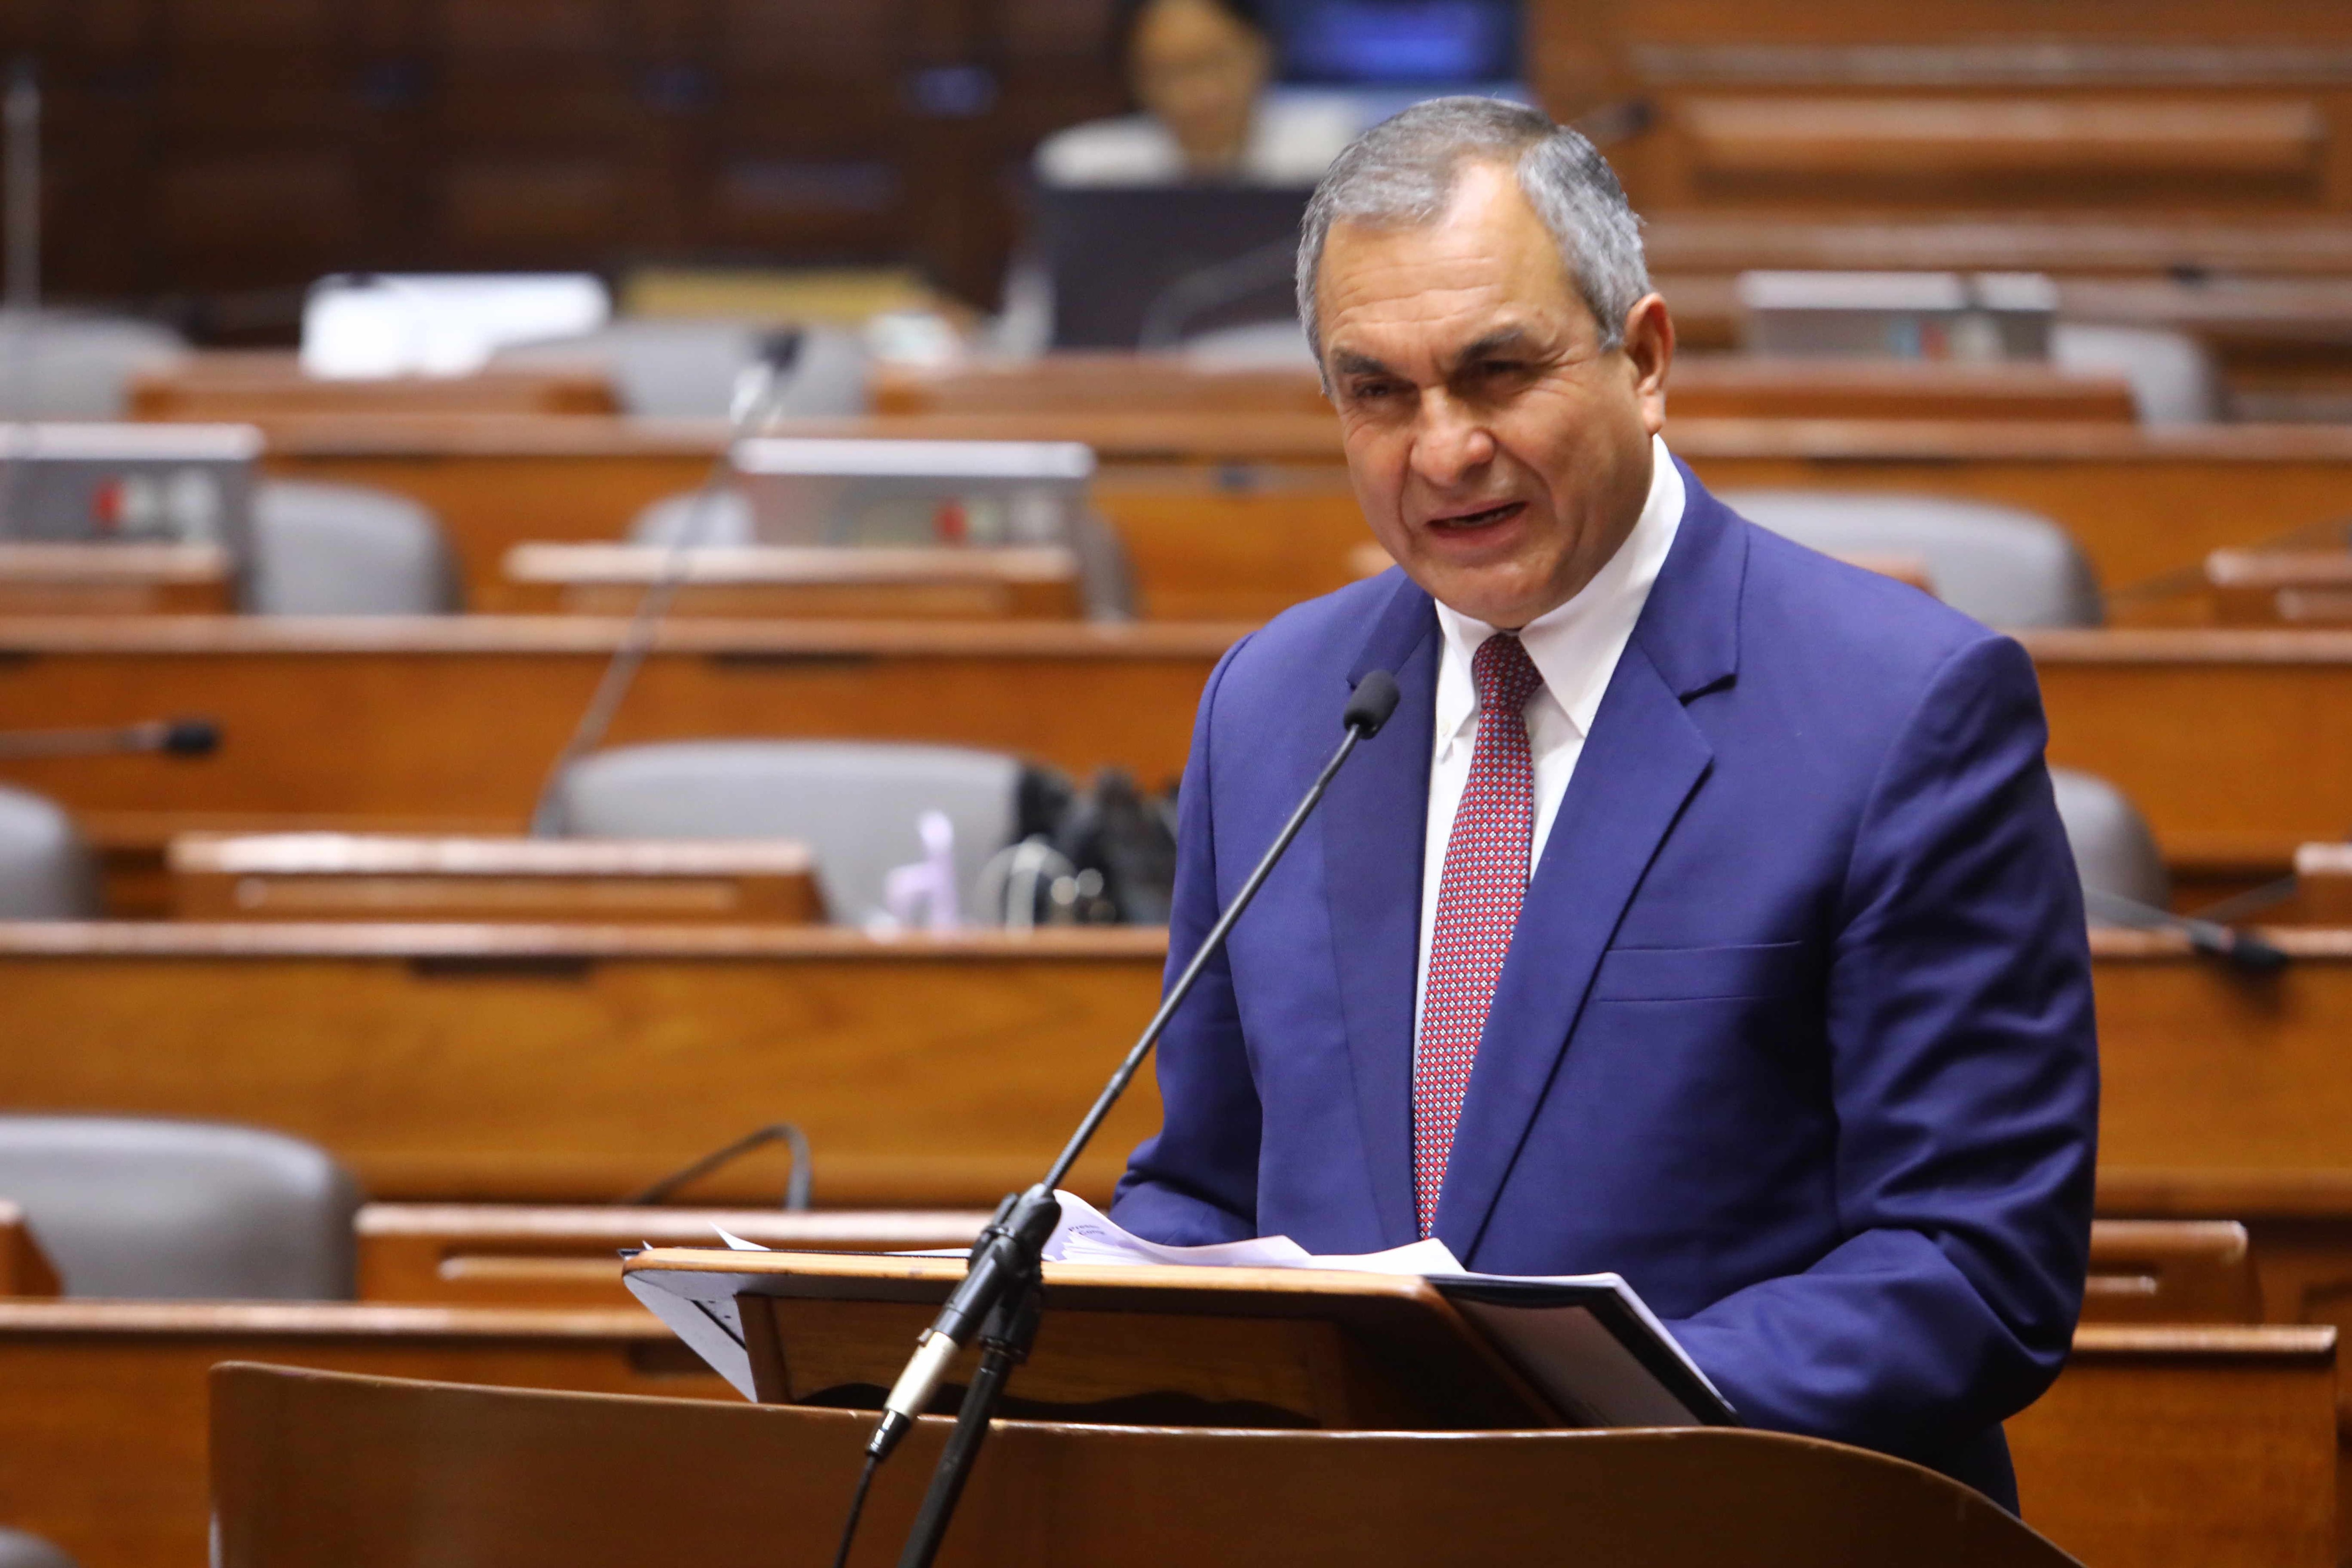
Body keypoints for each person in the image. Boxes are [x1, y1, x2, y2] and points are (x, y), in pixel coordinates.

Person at [1109, 96, 2098, 1510]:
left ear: (1641, 360)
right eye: (1375, 392)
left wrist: (1572, 1419)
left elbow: (1968, 1261)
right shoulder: (1276, 702)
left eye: (1495, 372)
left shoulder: (1902, 709)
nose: (1440, 449)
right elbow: (1205, 1184)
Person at [1034, 0, 1358, 187]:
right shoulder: (1086, 172)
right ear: (1133, 77)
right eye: (1167, 72)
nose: (1197, 93)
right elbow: (1043, 302)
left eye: (1215, 62)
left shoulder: (1333, 150)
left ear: (1263, 50)